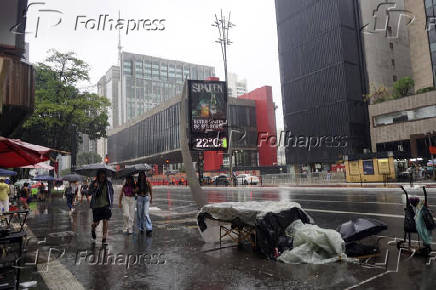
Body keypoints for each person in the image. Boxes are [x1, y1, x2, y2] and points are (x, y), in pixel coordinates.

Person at [89, 170, 114, 245]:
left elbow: (111, 193)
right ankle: (93, 228)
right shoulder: (94, 183)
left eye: (104, 174)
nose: (103, 175)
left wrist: (110, 203)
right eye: (101, 174)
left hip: (106, 205)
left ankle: (104, 238)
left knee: (105, 220)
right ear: (98, 175)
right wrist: (95, 187)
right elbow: (90, 192)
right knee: (96, 223)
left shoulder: (108, 183)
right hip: (96, 206)